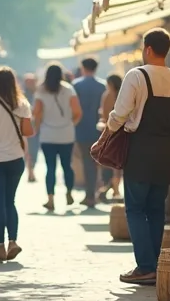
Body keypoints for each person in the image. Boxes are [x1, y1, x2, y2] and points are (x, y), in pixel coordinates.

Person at [104, 28, 170, 286]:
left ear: (148, 49)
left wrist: (108, 134)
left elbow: (120, 114)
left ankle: (145, 266)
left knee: (135, 208)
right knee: (156, 209)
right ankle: (154, 265)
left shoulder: (136, 75)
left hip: (140, 149)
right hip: (166, 150)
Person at [0, 66, 33, 262]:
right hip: (15, 158)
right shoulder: (22, 104)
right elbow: (28, 132)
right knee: (10, 201)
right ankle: (13, 241)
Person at [33, 63, 81, 211]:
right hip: (66, 134)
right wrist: (70, 124)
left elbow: (37, 113)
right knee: (67, 165)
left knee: (50, 168)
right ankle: (69, 192)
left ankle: (50, 199)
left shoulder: (41, 90)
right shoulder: (68, 89)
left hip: (48, 134)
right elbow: (78, 111)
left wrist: (38, 128)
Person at [72, 58, 105, 208]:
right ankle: (94, 192)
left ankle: (90, 194)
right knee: (96, 161)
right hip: (98, 129)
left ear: (82, 67)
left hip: (81, 128)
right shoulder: (103, 86)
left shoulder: (76, 85)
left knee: (86, 160)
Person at [99, 73, 124, 201]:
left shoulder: (108, 95)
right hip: (123, 132)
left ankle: (112, 188)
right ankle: (115, 189)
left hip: (111, 132)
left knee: (111, 163)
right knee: (119, 165)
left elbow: (104, 115)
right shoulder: (125, 95)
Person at [22, 73, 39, 182]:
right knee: (27, 150)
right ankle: (30, 172)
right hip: (25, 127)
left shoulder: (39, 94)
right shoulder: (22, 95)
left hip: (36, 127)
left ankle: (31, 170)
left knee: (34, 150)